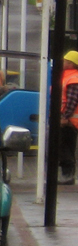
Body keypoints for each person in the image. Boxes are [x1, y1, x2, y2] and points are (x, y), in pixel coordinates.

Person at [60, 50, 78, 184]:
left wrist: (65, 117)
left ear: (71, 63)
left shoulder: (73, 78)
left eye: (65, 61)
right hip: (66, 119)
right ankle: (67, 175)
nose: (63, 63)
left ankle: (68, 176)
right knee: (64, 147)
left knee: (65, 147)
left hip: (69, 121)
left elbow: (72, 100)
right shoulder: (68, 76)